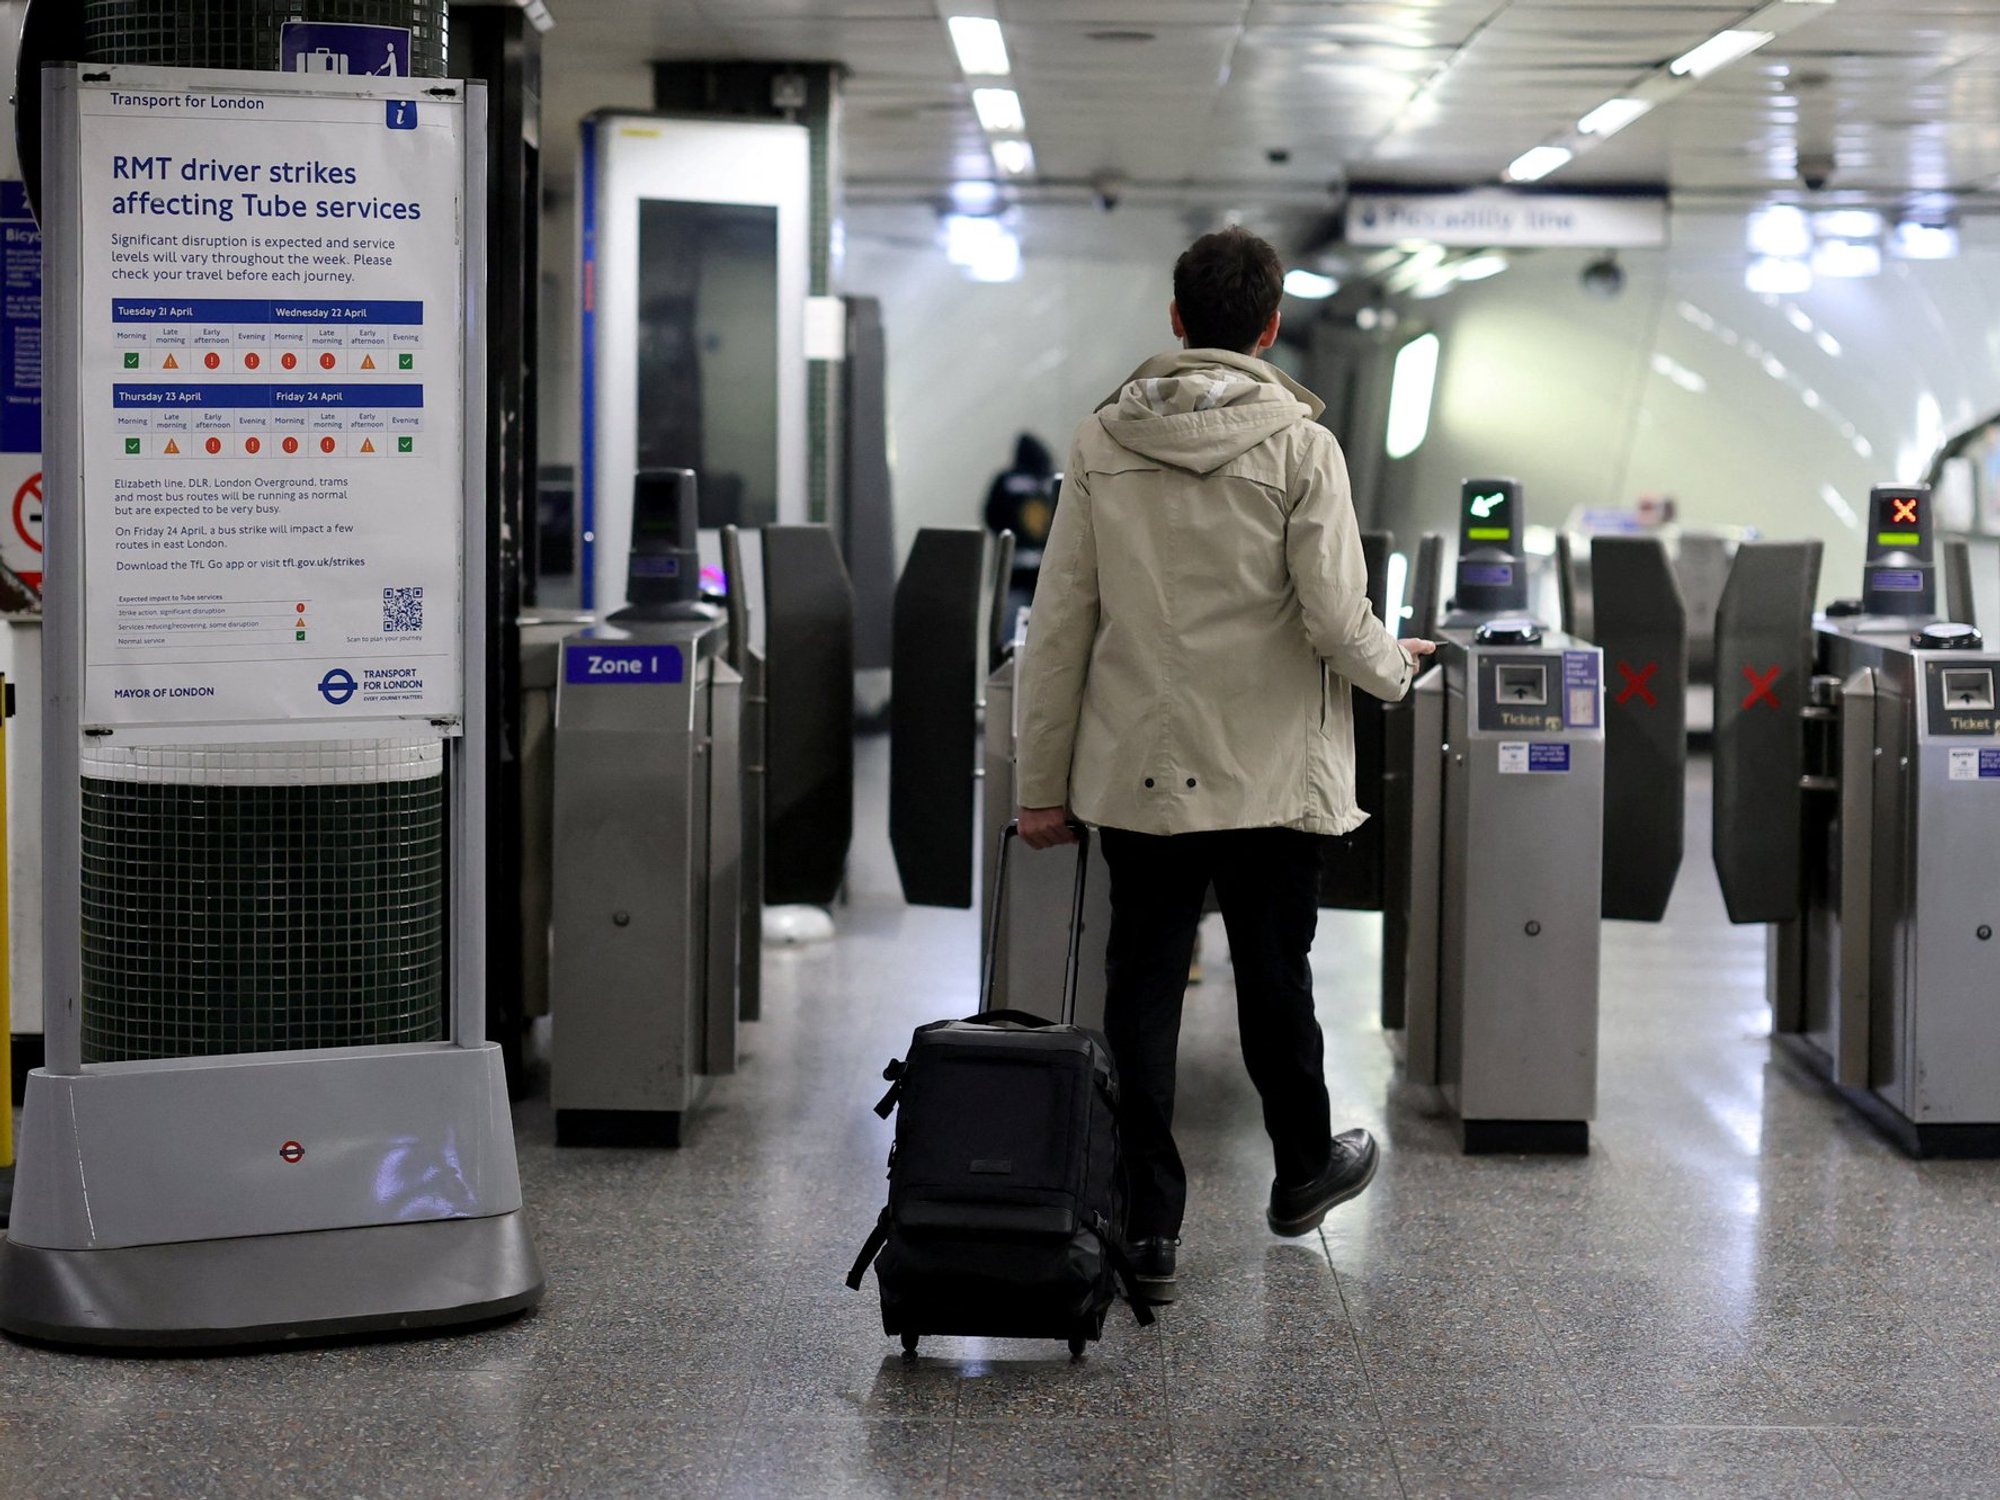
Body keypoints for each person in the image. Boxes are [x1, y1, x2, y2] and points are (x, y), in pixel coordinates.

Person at [1012, 227, 1436, 1305]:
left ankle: (1144, 1228)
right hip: (1267, 775)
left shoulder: (1103, 441)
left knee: (1142, 993)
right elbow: (1338, 621)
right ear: (1270, 324)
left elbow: (1059, 623)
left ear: (1172, 318)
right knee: (1272, 978)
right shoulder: (1302, 449)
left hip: (1141, 776)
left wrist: (1039, 786)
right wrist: (1398, 672)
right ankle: (1300, 1169)